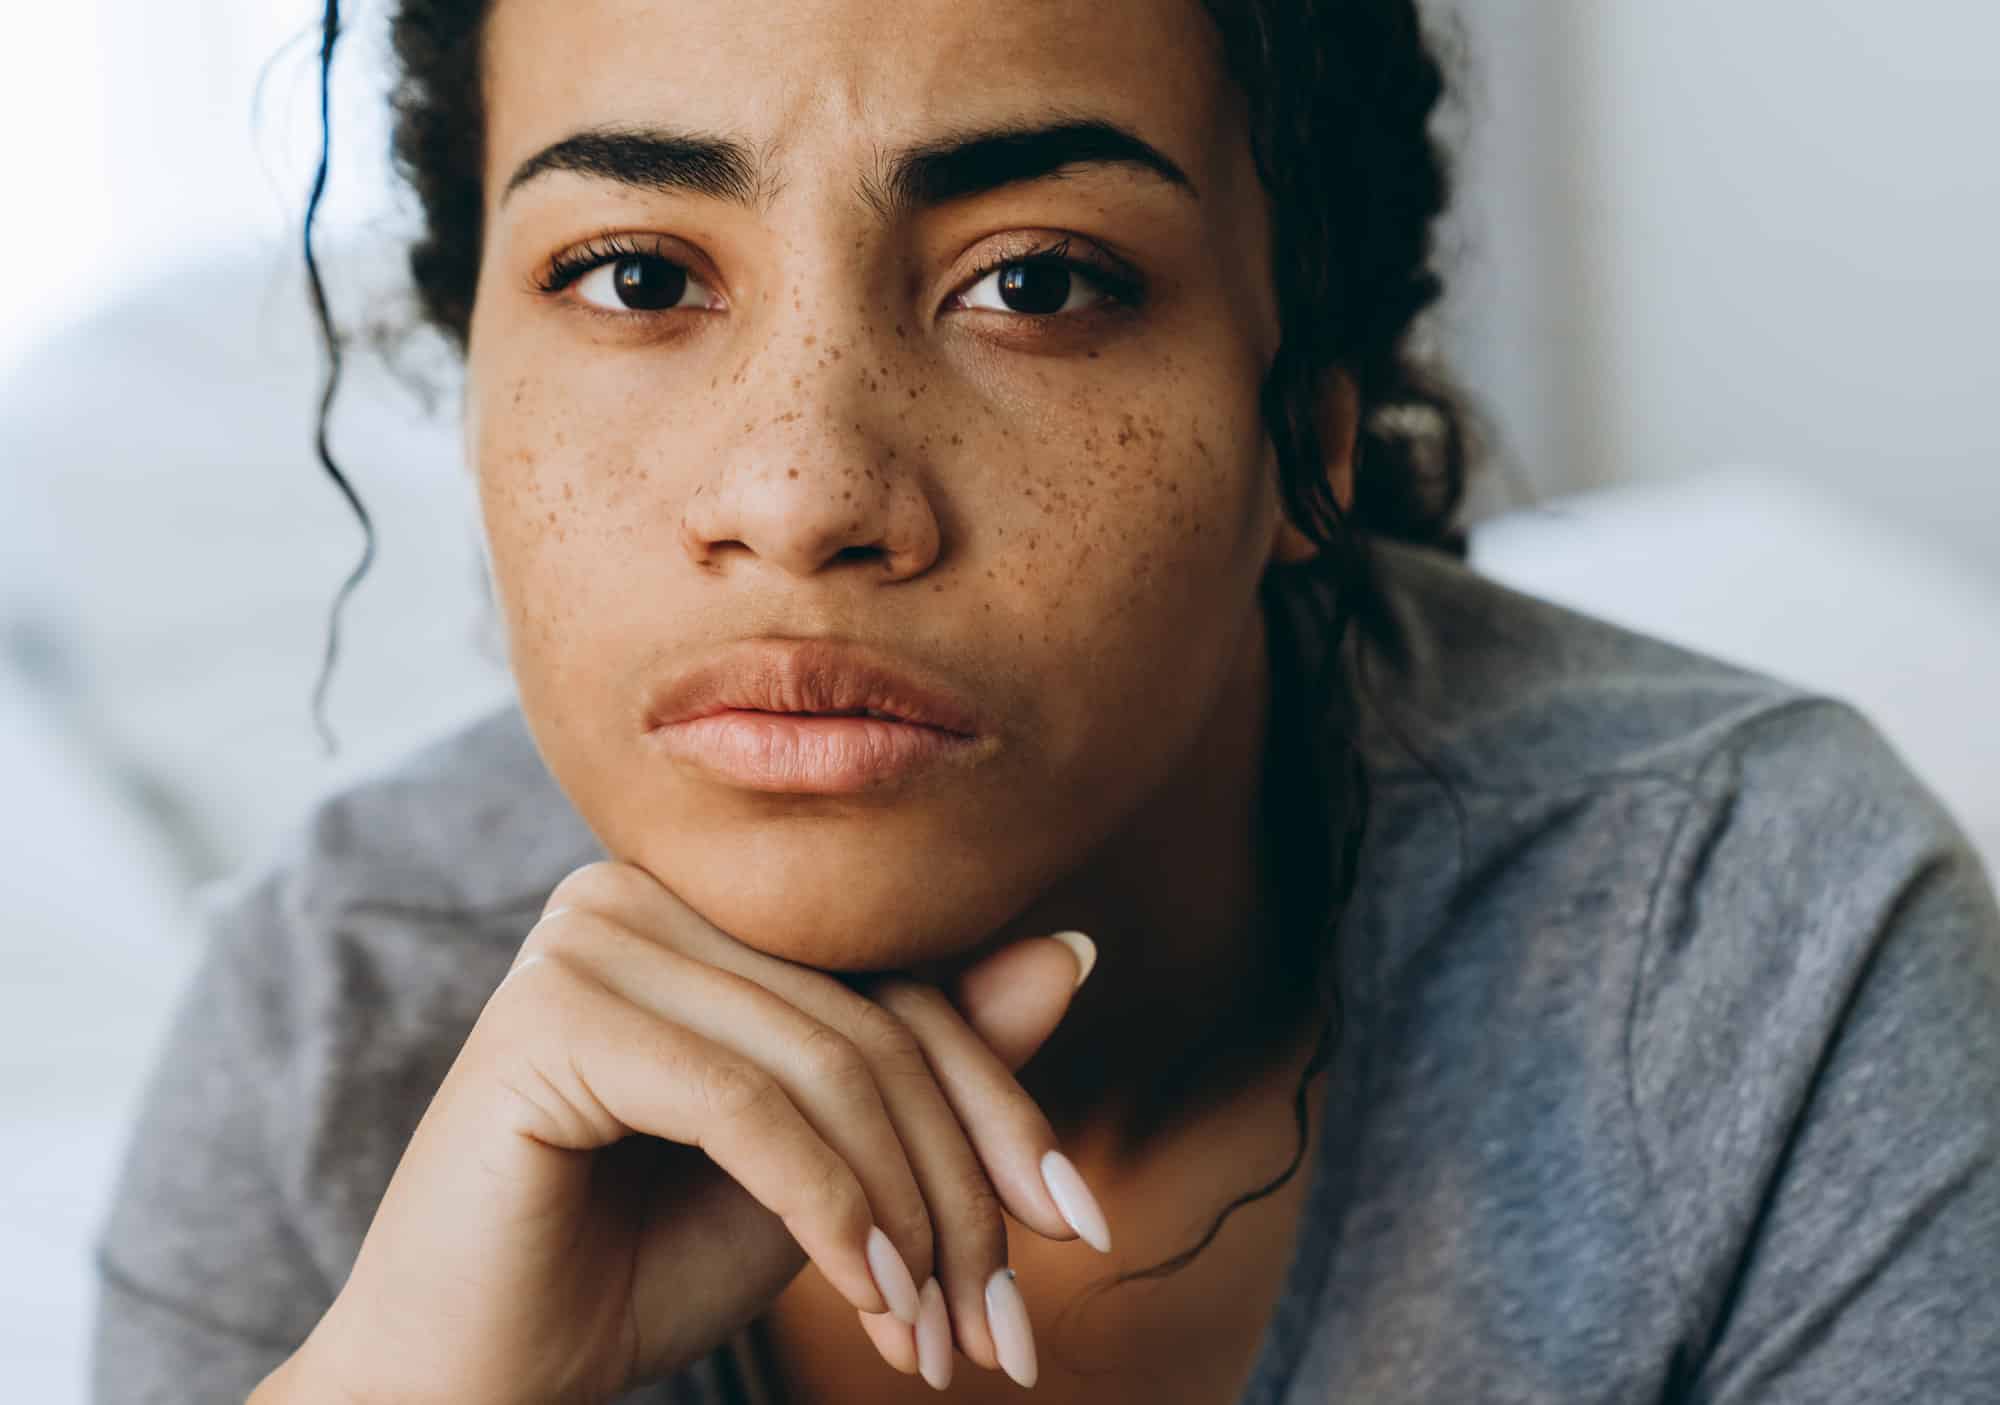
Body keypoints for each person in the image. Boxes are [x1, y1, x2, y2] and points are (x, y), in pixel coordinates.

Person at [89, 0, 2000, 1401]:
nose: (806, 489)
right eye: (639, 271)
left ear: (1307, 425)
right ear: (479, 381)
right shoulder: (337, 1023)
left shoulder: (1750, 956)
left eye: (1040, 282)